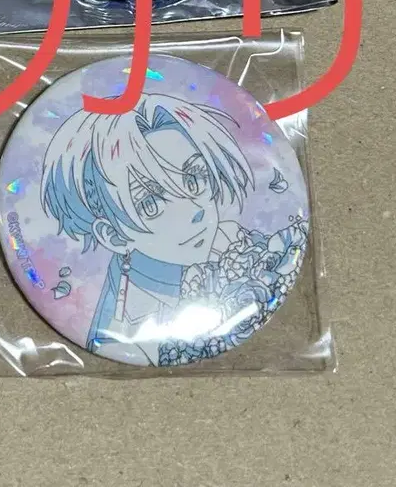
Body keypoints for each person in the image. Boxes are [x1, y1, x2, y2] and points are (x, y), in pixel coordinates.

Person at [40, 94, 307, 366]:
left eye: (195, 177)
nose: (195, 210)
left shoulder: (230, 237)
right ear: (113, 236)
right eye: (150, 203)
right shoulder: (126, 332)